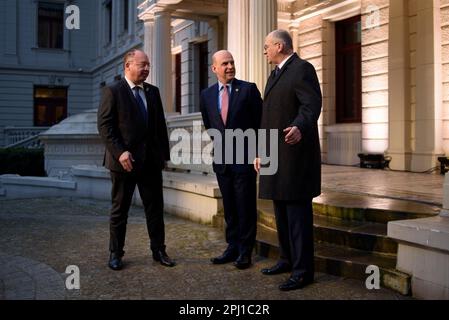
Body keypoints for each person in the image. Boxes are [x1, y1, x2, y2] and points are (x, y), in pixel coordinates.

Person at [254, 30, 322, 291]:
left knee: (297, 217)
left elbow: (311, 105)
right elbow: (267, 118)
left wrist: (299, 126)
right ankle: (286, 259)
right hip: (275, 155)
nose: (264, 51)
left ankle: (303, 271)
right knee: (281, 214)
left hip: (295, 157)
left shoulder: (303, 69)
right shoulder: (275, 73)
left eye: (266, 46)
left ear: (279, 46)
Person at [97, 49, 175, 270]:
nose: (147, 69)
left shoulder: (153, 91)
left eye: (148, 64)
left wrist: (164, 157)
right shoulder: (112, 91)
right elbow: (105, 127)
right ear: (128, 65)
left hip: (150, 162)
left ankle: (159, 250)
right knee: (120, 209)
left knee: (155, 209)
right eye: (143, 65)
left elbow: (160, 126)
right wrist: (120, 151)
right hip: (124, 162)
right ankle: (115, 253)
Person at [200, 50, 262, 269]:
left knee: (245, 206)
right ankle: (232, 247)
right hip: (222, 161)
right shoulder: (206, 95)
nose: (229, 67)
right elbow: (210, 124)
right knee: (229, 207)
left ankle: (246, 251)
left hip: (245, 160)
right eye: (224, 63)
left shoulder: (248, 89)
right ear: (214, 68)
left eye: (232, 62)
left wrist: (259, 153)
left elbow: (260, 123)